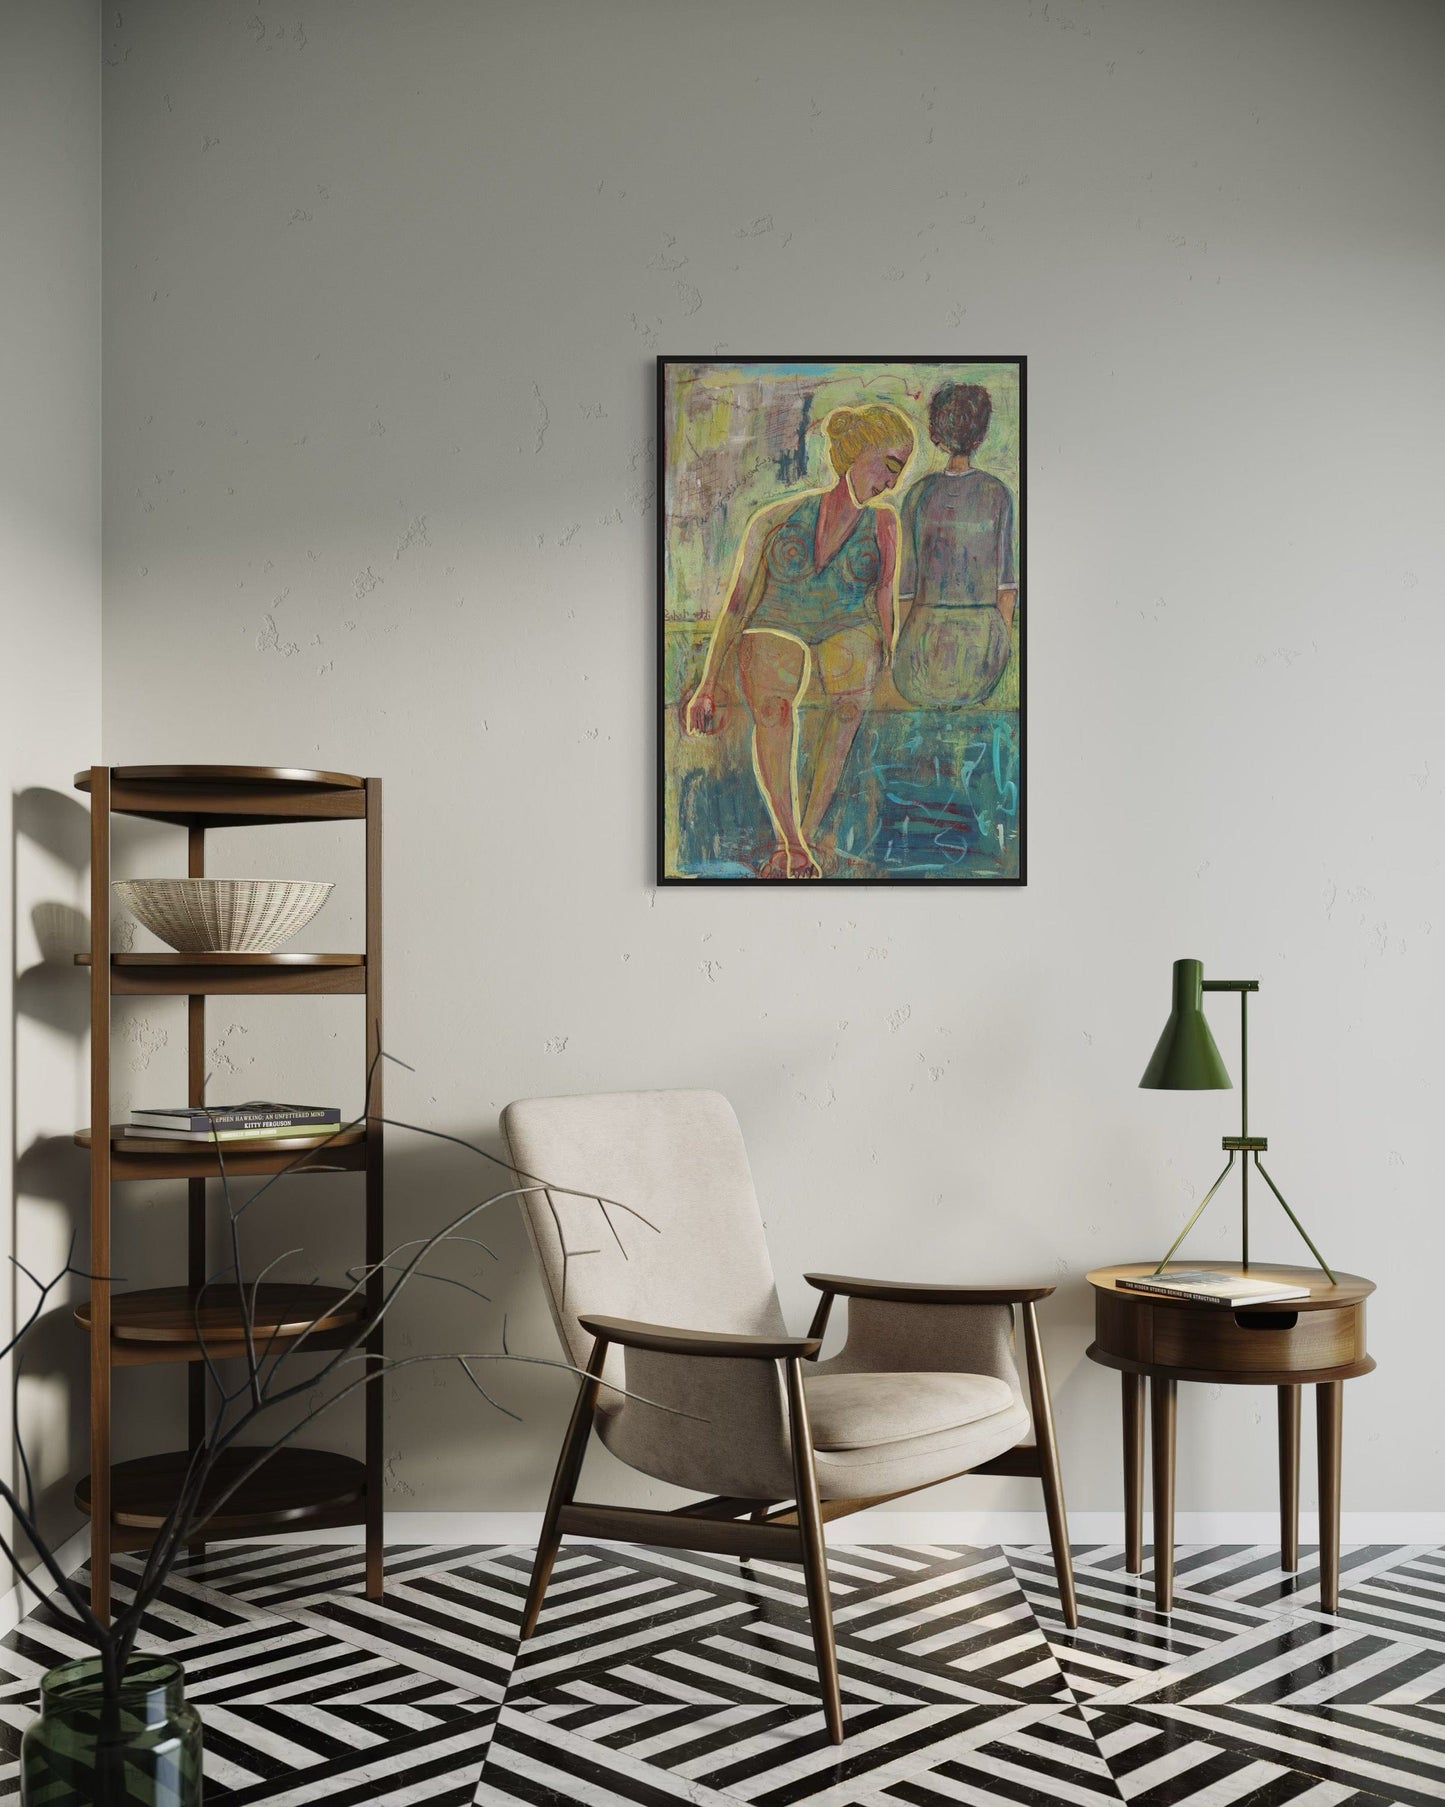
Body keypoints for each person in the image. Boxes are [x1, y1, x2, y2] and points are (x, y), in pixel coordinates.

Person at [684, 404, 914, 878]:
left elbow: (885, 594)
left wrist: (890, 653)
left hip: (846, 624)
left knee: (850, 696)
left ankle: (800, 842)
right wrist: (707, 684)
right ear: (856, 453)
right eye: (889, 465)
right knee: (773, 701)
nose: (891, 482)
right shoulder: (774, 518)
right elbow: (738, 604)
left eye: (900, 472)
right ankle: (791, 841)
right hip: (778, 620)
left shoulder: (885, 524)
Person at [893, 381, 1017, 709]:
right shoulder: (998, 493)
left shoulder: (917, 496)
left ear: (936, 433)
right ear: (980, 435)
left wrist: (903, 645)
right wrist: (1001, 644)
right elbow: (1006, 587)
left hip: (922, 650)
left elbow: (906, 589)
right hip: (983, 650)